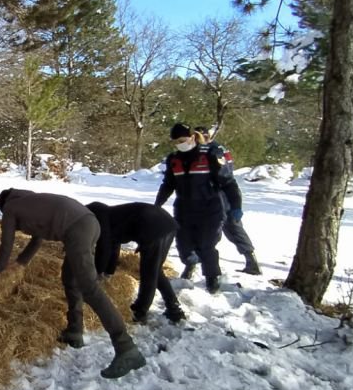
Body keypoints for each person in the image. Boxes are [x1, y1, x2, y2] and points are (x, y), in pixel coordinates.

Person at [0, 189, 146, 379]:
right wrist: (20, 263)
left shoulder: (10, 208)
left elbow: (6, 243)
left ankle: (126, 347)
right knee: (70, 279)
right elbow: (37, 237)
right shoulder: (32, 201)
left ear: (3, 205)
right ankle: (74, 330)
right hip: (89, 223)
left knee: (90, 288)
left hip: (77, 229)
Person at [155, 123, 243, 294]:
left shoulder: (210, 155)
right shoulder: (174, 160)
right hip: (184, 209)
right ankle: (190, 262)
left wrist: (236, 206)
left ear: (192, 137)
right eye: (176, 142)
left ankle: (212, 277)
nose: (180, 144)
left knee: (206, 244)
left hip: (210, 208)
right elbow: (168, 185)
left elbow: (228, 182)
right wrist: (157, 205)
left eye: (183, 140)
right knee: (184, 245)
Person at [86, 201, 186, 324]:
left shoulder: (100, 218)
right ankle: (174, 308)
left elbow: (104, 247)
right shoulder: (111, 216)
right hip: (166, 224)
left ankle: (140, 311)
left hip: (154, 227)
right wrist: (108, 272)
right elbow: (113, 245)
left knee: (149, 272)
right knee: (155, 270)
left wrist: (97, 273)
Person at [193, 126, 261, 275]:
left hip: (219, 194)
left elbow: (224, 176)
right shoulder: (217, 148)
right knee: (232, 228)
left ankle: (195, 266)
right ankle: (251, 261)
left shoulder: (214, 150)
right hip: (219, 194)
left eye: (198, 138)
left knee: (213, 230)